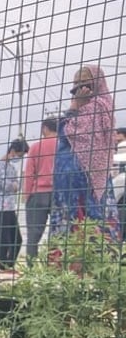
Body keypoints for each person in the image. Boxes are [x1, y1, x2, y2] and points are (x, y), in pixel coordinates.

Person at [50, 65, 118, 241]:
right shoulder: (76, 108)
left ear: (97, 83)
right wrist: (75, 107)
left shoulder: (101, 106)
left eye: (85, 83)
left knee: (94, 225)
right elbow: (63, 135)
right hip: (67, 179)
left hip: (91, 180)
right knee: (68, 225)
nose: (80, 87)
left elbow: (69, 133)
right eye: (76, 83)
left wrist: (76, 107)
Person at [0, 139, 29, 273]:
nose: (19, 158)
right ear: (12, 151)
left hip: (10, 206)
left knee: (17, 239)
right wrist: (14, 185)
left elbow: (16, 186)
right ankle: (2, 267)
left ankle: (9, 265)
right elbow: (7, 186)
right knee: (5, 238)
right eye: (19, 155)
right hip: (0, 207)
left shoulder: (11, 168)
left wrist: (14, 185)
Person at [22, 120, 58, 264]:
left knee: (34, 234)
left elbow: (29, 173)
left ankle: (31, 267)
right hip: (59, 193)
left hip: (38, 192)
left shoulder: (36, 147)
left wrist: (27, 194)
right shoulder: (64, 145)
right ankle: (54, 265)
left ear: (45, 128)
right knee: (57, 232)